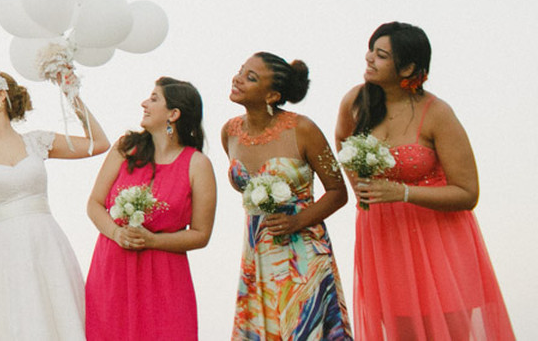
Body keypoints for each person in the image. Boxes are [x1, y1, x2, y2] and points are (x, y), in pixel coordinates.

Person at [335, 22, 515, 340]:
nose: (369, 58)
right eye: (371, 50)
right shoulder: (356, 101)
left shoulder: (437, 113)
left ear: (407, 68)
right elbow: (342, 140)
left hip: (439, 241)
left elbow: (467, 192)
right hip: (385, 239)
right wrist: (363, 191)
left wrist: (402, 192)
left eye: (381, 55)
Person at [0, 70, 109, 340]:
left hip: (47, 246)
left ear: (0, 94)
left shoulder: (37, 142)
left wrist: (71, 93)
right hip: (1, 255)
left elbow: (99, 143)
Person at [221, 52, 350, 340]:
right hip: (258, 256)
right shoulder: (229, 132)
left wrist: (297, 221)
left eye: (250, 77)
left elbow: (338, 192)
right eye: (241, 71)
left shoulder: (303, 129)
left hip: (302, 254)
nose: (238, 79)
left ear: (272, 95)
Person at [84, 77, 216, 340]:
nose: (144, 103)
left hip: (165, 279)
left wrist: (152, 240)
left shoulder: (197, 164)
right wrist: (117, 233)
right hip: (113, 270)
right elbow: (94, 204)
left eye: (154, 99)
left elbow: (201, 234)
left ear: (173, 114)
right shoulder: (125, 148)